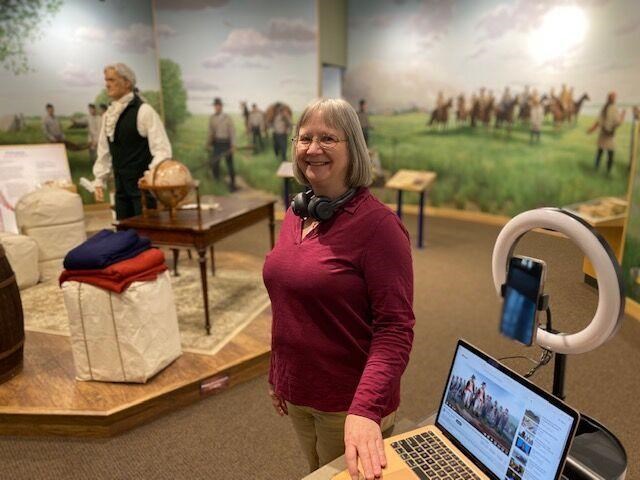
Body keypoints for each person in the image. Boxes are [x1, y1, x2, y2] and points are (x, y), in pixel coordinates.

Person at [263, 98, 414, 479]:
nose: (312, 149)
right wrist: (280, 370)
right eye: (304, 138)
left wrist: (365, 409)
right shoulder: (296, 214)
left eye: (328, 138)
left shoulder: (380, 228)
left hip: (349, 406)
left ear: (354, 148)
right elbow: (288, 301)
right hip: (299, 394)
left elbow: (395, 330)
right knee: (315, 471)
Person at [92, 63, 172, 219]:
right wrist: (99, 179)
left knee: (147, 236)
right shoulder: (108, 116)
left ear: (127, 82)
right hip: (121, 190)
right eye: (106, 80)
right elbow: (104, 151)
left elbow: (162, 149)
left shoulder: (144, 111)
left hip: (142, 192)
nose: (107, 84)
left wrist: (150, 175)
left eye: (112, 80)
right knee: (125, 235)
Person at [588, 91, 626, 174]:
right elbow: (617, 122)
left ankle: (597, 166)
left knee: (600, 151)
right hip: (608, 135)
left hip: (603, 133)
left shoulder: (605, 107)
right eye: (613, 97)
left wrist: (592, 129)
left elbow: (599, 121)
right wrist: (623, 115)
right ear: (611, 98)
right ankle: (607, 170)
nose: (615, 98)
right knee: (610, 153)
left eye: (614, 97)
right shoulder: (612, 108)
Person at [206, 97, 237, 191]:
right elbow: (210, 132)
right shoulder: (212, 118)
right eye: (215, 106)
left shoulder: (227, 118)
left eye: (218, 105)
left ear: (221, 106)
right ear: (214, 107)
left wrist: (233, 145)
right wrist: (208, 143)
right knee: (215, 163)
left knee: (230, 165)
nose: (217, 107)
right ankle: (217, 183)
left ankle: (232, 185)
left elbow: (232, 132)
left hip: (226, 143)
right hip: (217, 144)